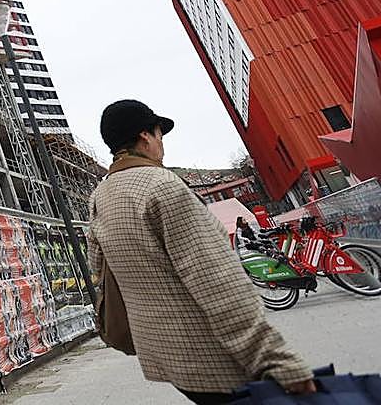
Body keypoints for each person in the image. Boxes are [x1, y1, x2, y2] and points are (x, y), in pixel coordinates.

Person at [87, 100, 315, 403]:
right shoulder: (162, 186)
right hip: (215, 358)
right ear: (146, 137)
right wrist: (279, 362)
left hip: (168, 358)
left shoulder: (100, 196)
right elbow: (218, 283)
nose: (162, 146)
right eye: (160, 136)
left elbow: (100, 270)